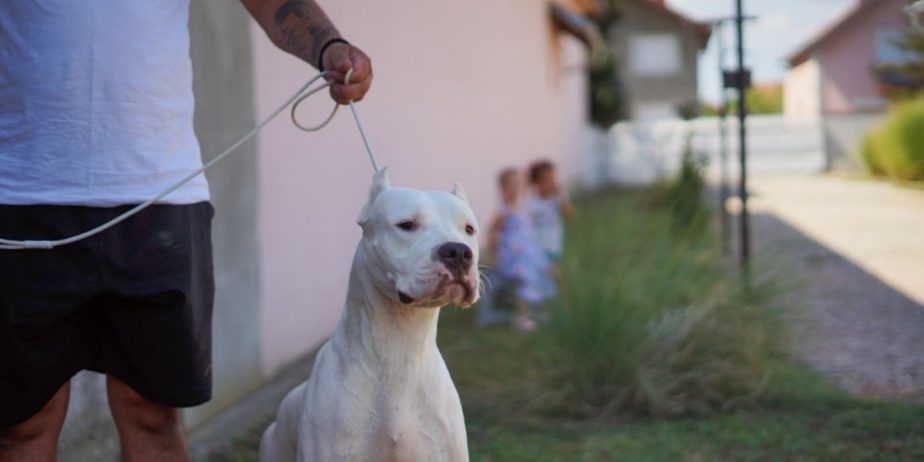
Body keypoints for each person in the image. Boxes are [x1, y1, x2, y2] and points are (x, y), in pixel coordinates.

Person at [0, 1, 371, 460]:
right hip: (21, 199)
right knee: (22, 424)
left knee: (152, 416)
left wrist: (328, 46)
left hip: (162, 200)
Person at [487, 168, 557, 332]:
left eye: (518, 183)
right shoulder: (503, 210)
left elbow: (529, 232)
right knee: (524, 275)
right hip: (512, 257)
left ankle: (544, 311)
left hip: (529, 253)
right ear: (503, 189)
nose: (516, 187)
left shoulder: (524, 207)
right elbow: (492, 232)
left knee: (546, 271)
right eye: (510, 184)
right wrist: (493, 255)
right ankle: (522, 316)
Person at [525, 160, 575, 263]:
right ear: (537, 182)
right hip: (536, 247)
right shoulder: (530, 202)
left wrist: (560, 194)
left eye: (552, 179)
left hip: (554, 245)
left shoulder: (557, 198)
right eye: (546, 180)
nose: (551, 183)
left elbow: (568, 213)